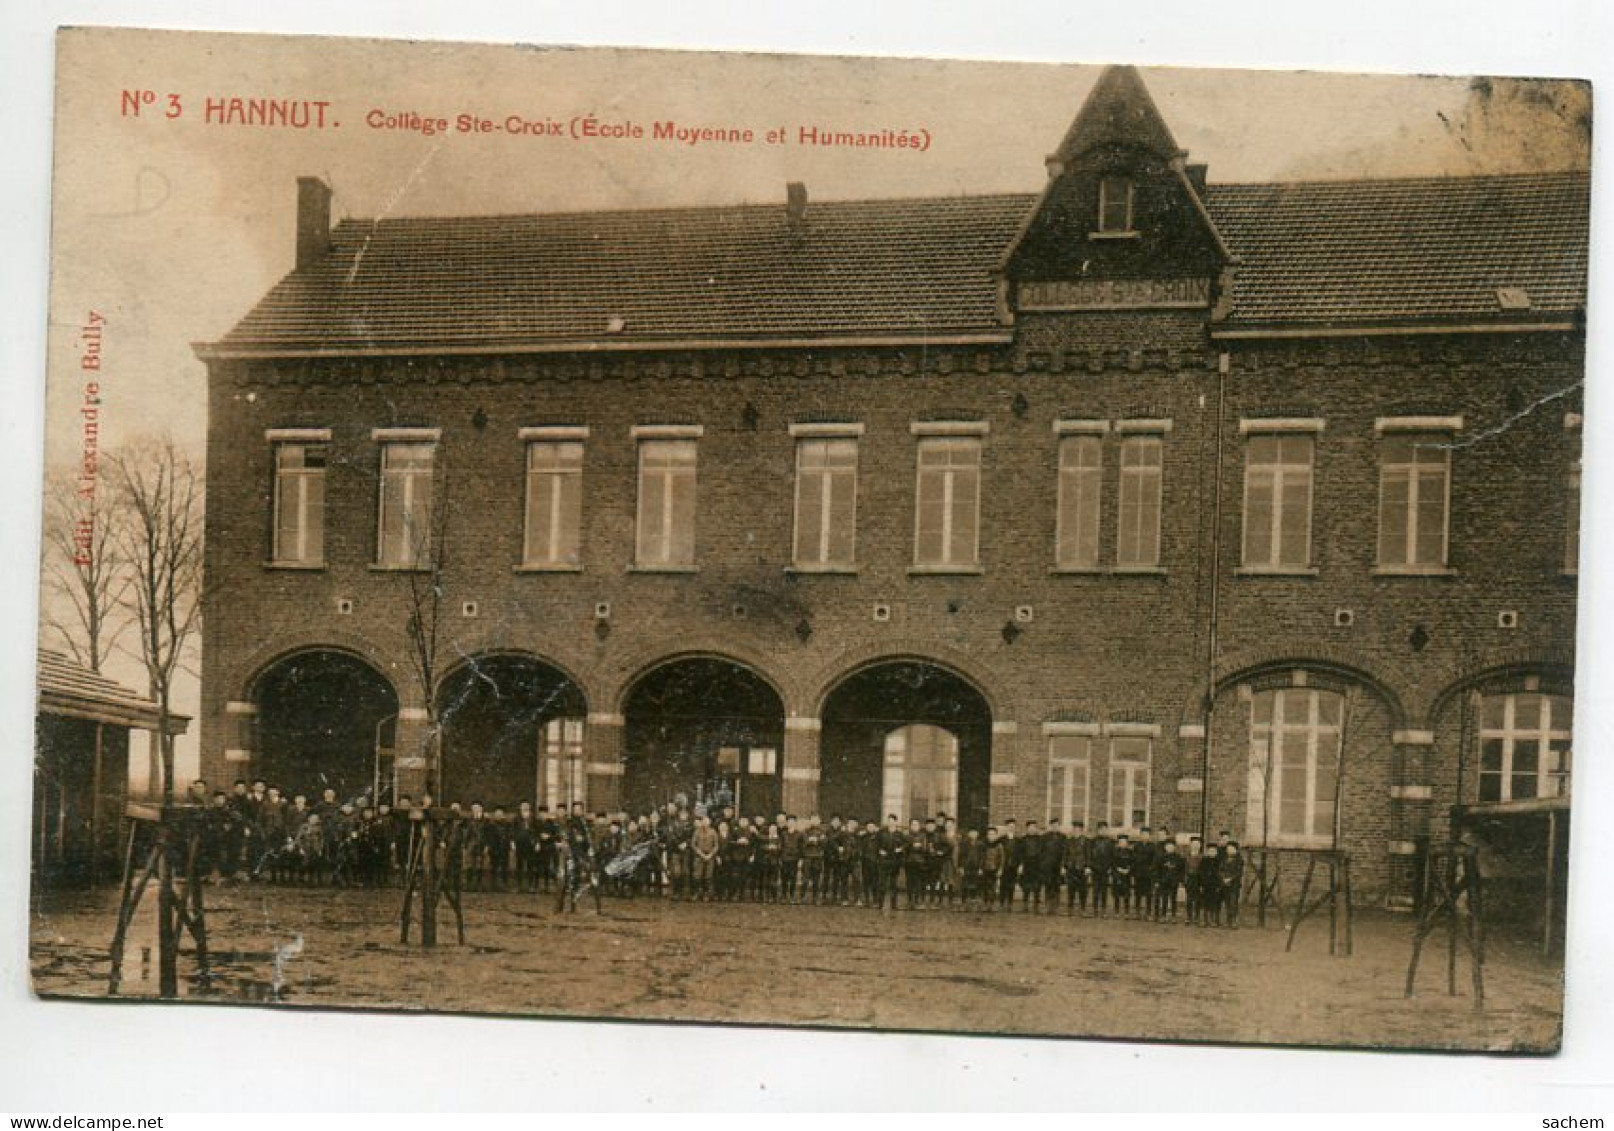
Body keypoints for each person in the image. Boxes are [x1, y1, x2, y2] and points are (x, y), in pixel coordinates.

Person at [1155, 839, 1186, 922]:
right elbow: (1157, 870)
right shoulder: (1161, 858)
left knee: (1173, 898)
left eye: (1172, 846)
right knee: (1164, 898)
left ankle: (1173, 916)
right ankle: (1163, 915)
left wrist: (1180, 881)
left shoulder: (1178, 858)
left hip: (1174, 881)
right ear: (1165, 847)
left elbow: (1181, 870)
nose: (1170, 848)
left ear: (1174, 848)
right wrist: (1157, 881)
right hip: (1163, 881)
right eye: (1168, 846)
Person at [691, 814, 719, 901]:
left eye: (707, 822)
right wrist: (700, 853)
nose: (705, 824)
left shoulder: (713, 832)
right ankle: (697, 893)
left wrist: (710, 854)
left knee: (708, 876)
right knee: (697, 876)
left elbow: (716, 845)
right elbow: (693, 844)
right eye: (704, 822)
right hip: (699, 856)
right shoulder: (697, 832)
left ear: (710, 823)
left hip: (710, 856)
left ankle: (706, 894)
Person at [1089, 822, 1115, 917]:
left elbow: (1113, 856)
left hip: (1106, 869)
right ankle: (1095, 910)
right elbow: (1090, 855)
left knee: (1104, 890)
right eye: (1100, 829)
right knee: (1095, 890)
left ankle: (1103, 910)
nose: (1102, 831)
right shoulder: (1092, 842)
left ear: (1106, 830)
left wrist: (1110, 868)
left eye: (1104, 829)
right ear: (1097, 830)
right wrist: (1091, 866)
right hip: (1095, 869)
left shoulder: (1111, 842)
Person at [1219, 840, 1245, 928]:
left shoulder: (1239, 860)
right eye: (1228, 849)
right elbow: (1221, 870)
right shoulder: (1224, 859)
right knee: (1227, 902)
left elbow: (1239, 872)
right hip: (1225, 884)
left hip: (1234, 885)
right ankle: (1228, 920)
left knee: (1233, 902)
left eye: (1231, 849)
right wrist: (1223, 878)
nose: (1229, 851)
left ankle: (1234, 921)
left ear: (1236, 850)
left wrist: (1230, 878)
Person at [801, 816, 826, 905]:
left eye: (816, 820)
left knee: (816, 878)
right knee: (805, 878)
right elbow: (804, 842)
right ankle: (803, 897)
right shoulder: (806, 831)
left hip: (817, 857)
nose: (814, 822)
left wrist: (816, 841)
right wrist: (811, 841)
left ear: (819, 821)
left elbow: (824, 842)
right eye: (812, 820)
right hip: (808, 857)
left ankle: (815, 898)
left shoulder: (822, 831)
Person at [1110, 833, 1136, 916]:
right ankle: (1116, 911)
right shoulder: (1114, 852)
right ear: (1118, 843)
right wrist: (1118, 869)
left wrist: (1128, 870)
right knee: (1117, 894)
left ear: (1127, 843)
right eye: (1120, 842)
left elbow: (1133, 862)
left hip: (1126, 875)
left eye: (1124, 842)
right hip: (1117, 875)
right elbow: (1112, 862)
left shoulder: (1130, 852)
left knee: (1126, 894)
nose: (1122, 843)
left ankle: (1126, 912)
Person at [981, 826, 1005, 912]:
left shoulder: (999, 845)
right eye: (989, 834)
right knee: (985, 886)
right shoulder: (984, 845)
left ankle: (992, 903)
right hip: (985, 868)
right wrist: (981, 868)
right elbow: (982, 857)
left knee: (993, 886)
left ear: (996, 835)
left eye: (993, 834)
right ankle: (985, 903)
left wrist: (1000, 869)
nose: (991, 836)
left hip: (994, 868)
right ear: (987, 835)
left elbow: (1002, 858)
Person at [1183, 836, 1204, 926]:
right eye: (1193, 844)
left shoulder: (1203, 857)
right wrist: (1184, 879)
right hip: (1189, 879)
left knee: (1198, 899)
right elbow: (1183, 869)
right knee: (1189, 899)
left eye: (1197, 844)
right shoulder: (1186, 856)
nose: (1195, 846)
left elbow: (1204, 870)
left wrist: (1202, 882)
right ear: (1190, 845)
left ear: (1200, 846)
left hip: (1199, 880)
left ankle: (1197, 917)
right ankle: (1189, 917)